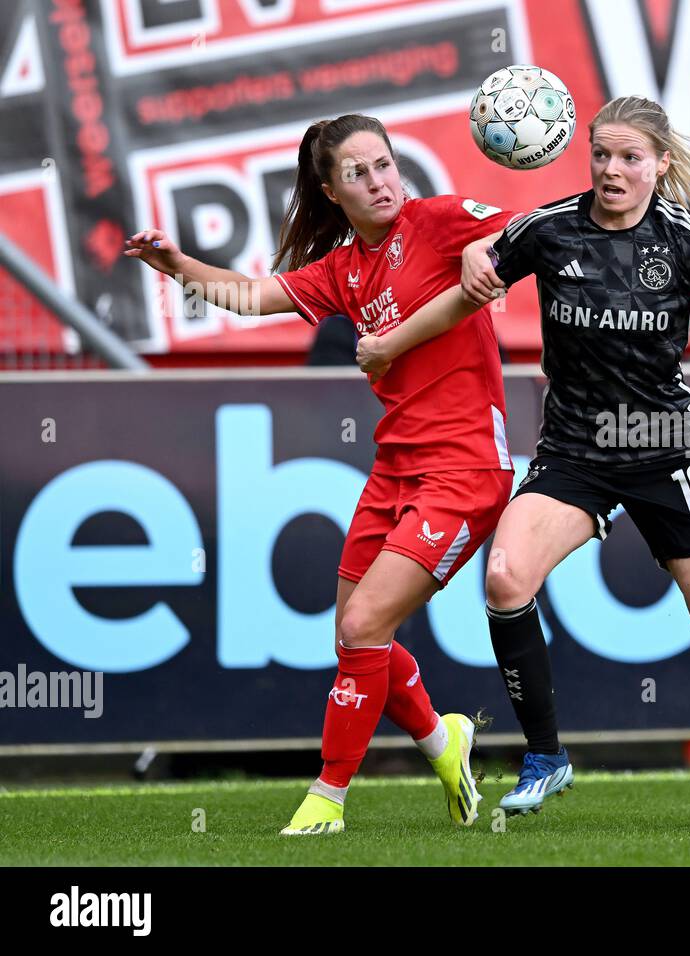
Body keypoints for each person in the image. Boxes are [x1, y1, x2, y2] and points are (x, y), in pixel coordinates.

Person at [380, 96, 690, 826]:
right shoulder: (548, 231)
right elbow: (466, 290)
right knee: (506, 575)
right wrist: (397, 339)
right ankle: (546, 758)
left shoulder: (689, 240)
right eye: (602, 155)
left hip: (664, 451)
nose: (612, 170)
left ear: (659, 164)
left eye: (630, 158)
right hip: (575, 452)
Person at [125, 113, 518, 835]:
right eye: (358, 173)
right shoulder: (344, 270)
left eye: (385, 165)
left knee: (367, 623)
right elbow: (250, 297)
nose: (379, 183)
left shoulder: (439, 221)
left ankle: (327, 798)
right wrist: (178, 268)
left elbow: (527, 232)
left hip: (465, 468)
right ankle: (443, 739)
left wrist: (486, 248)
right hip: (395, 468)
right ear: (331, 191)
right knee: (352, 633)